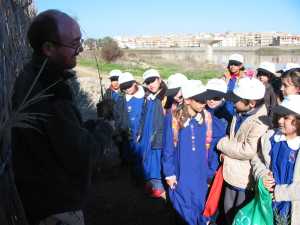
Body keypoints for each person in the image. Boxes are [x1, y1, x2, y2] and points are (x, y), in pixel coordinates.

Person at [12, 10, 105, 225]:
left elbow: (57, 135)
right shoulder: (51, 91)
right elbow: (82, 155)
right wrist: (104, 129)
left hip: (39, 202)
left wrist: (87, 126)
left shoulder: (29, 76)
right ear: (48, 48)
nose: (80, 50)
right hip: (57, 209)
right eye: (74, 44)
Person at [217, 77, 269, 224]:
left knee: (239, 215)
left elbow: (248, 150)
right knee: (228, 209)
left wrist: (222, 144)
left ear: (251, 103)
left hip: (244, 179)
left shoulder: (260, 121)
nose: (233, 102)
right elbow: (235, 138)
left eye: (237, 99)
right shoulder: (240, 111)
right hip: (231, 173)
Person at [162, 80, 211, 225]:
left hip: (200, 173)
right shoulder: (173, 118)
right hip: (181, 171)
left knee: (199, 203)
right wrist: (169, 173)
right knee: (181, 206)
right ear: (188, 100)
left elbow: (210, 144)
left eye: (205, 99)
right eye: (200, 99)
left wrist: (210, 171)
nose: (204, 103)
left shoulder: (206, 118)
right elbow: (168, 148)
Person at [251, 95, 300, 225]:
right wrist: (262, 175)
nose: (280, 121)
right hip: (268, 205)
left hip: (293, 211)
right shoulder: (271, 138)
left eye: (286, 118)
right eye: (280, 116)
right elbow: (257, 160)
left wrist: (279, 192)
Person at [136, 69, 166, 198]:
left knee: (157, 160)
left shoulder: (166, 97)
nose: (151, 84)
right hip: (147, 135)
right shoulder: (147, 97)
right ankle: (150, 184)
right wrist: (140, 132)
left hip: (159, 136)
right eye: (148, 82)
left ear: (159, 79)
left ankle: (159, 187)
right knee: (147, 159)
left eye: (153, 80)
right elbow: (143, 116)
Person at [117, 72, 145, 176]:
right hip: (128, 137)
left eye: (128, 86)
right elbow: (118, 117)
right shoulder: (121, 99)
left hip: (143, 136)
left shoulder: (146, 96)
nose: (127, 89)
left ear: (134, 83)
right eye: (124, 88)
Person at [205, 78, 229, 179]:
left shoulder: (227, 115)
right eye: (209, 96)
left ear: (223, 98)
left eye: (216, 97)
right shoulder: (201, 110)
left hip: (215, 159)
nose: (211, 100)